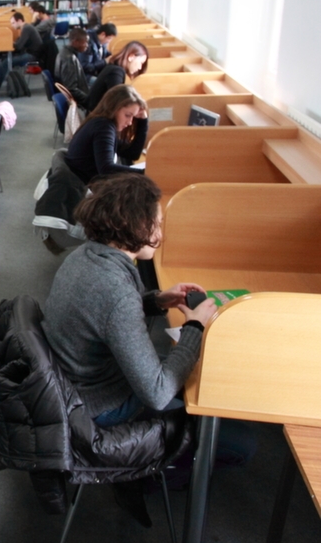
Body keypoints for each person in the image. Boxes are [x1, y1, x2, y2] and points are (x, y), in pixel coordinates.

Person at [42, 174, 254, 524]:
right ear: (137, 227)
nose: (161, 232)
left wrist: (157, 300)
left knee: (203, 389)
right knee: (242, 446)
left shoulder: (85, 256)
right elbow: (156, 393)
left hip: (77, 386)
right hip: (99, 407)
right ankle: (144, 477)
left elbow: (103, 315)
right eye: (158, 223)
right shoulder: (114, 289)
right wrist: (195, 327)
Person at [64, 84, 148, 184]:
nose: (130, 122)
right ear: (114, 108)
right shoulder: (103, 127)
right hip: (82, 186)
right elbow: (106, 169)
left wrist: (143, 121)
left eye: (133, 117)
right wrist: (146, 173)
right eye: (127, 115)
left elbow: (132, 154)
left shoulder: (101, 122)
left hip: (82, 181)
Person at [86, 41, 149, 113]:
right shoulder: (116, 72)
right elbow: (117, 102)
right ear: (131, 57)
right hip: (96, 116)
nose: (140, 67)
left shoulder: (115, 69)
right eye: (141, 63)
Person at [54, 28, 91, 109]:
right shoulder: (69, 59)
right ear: (75, 42)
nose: (87, 45)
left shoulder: (64, 51)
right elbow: (71, 89)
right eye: (85, 42)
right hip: (80, 101)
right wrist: (90, 100)